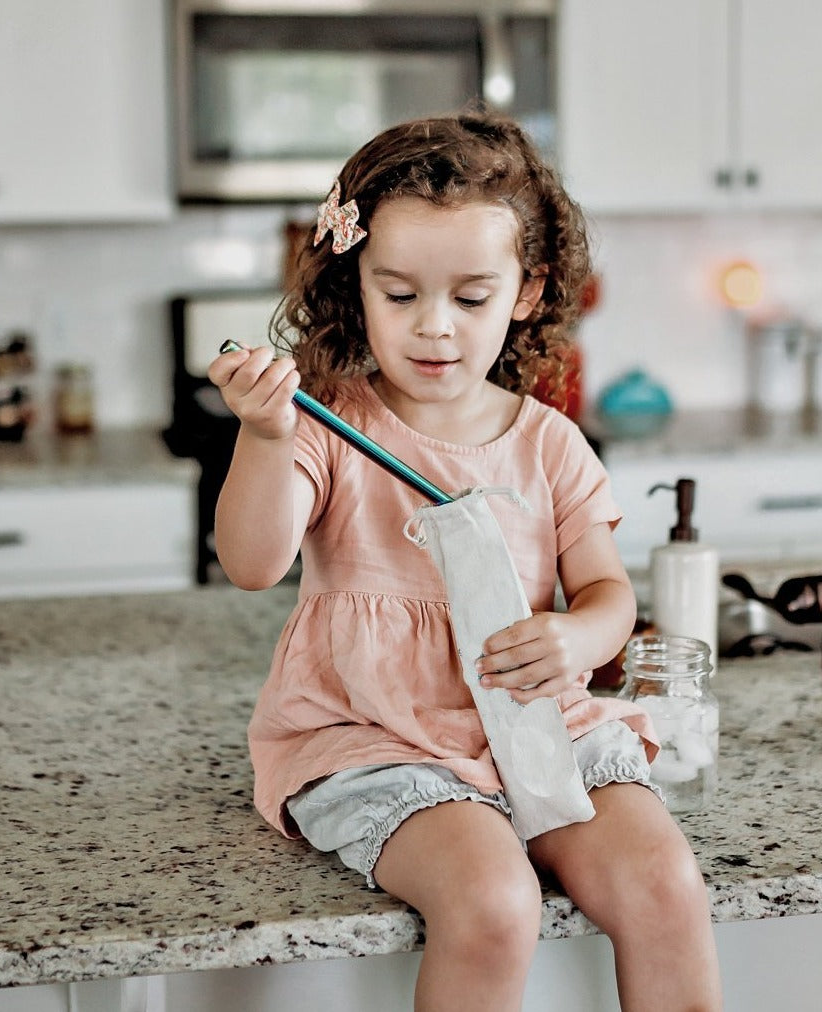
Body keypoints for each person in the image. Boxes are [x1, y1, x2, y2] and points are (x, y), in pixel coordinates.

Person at [208, 111, 722, 1012]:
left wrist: (575, 637)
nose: (434, 329)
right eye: (399, 295)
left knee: (666, 884)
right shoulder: (333, 425)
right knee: (492, 900)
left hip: (535, 720)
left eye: (470, 298)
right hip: (376, 736)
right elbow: (252, 564)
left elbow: (608, 593)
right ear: (355, 286)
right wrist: (262, 433)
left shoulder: (552, 444)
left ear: (526, 291)